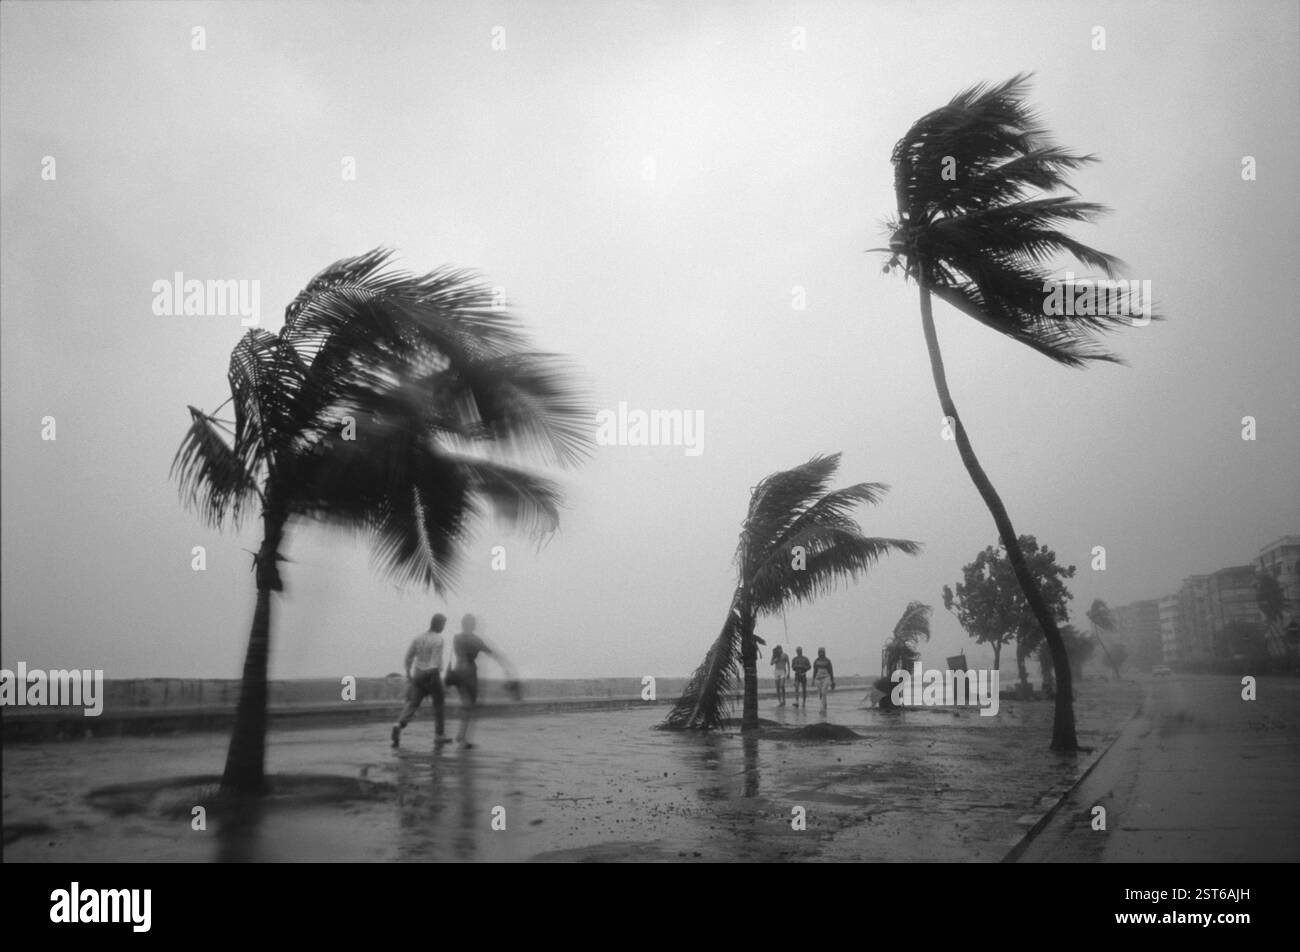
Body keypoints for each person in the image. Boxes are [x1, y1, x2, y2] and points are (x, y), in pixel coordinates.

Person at [447, 614, 518, 748]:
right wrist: (506, 667)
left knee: (465, 703)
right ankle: (463, 738)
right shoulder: (475, 640)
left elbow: (459, 653)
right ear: (473, 625)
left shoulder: (457, 638)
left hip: (457, 671)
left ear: (462, 624)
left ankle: (461, 735)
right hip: (469, 671)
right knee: (471, 705)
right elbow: (492, 653)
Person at [391, 613, 449, 748]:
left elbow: (409, 656)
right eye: (443, 624)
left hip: (417, 673)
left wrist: (408, 672)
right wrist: (434, 680)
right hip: (431, 674)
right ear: (439, 624)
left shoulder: (418, 637)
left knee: (413, 703)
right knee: (439, 704)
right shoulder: (438, 640)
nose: (444, 627)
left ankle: (398, 724)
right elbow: (434, 662)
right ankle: (439, 735)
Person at [812, 647, 836, 714]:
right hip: (818, 678)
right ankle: (824, 705)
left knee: (823, 691)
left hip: (826, 677)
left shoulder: (828, 661)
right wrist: (813, 679)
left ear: (824, 652)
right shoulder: (816, 661)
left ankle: (822, 708)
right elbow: (815, 671)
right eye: (819, 652)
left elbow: (831, 671)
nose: (820, 653)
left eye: (821, 652)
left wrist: (832, 681)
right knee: (820, 693)